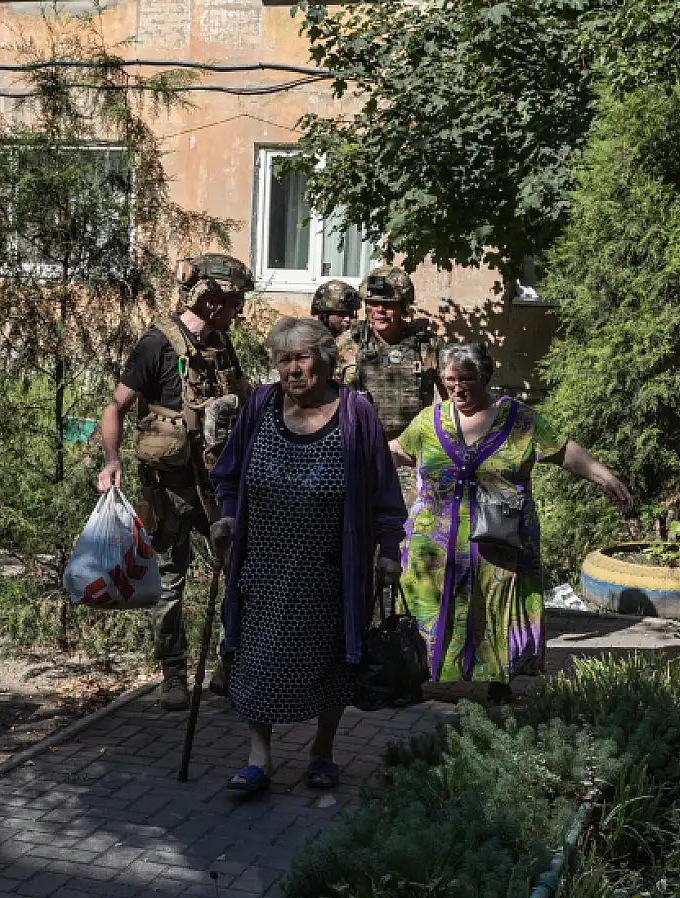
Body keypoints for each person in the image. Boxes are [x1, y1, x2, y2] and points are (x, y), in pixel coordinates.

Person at [209, 317, 406, 794]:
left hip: (333, 565)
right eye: (283, 360)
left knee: (331, 661)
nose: (292, 370)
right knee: (255, 656)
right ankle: (259, 756)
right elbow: (230, 474)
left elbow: (383, 491)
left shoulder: (356, 413)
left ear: (325, 360)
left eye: (301, 358)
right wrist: (228, 516)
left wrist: (388, 550)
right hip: (263, 562)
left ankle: (322, 751)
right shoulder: (260, 404)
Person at [389, 342, 633, 702]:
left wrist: (606, 478)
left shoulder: (519, 419)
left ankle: (498, 680)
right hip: (433, 543)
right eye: (450, 380)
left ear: (485, 376)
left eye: (467, 379)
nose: (458, 388)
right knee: (424, 600)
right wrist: (356, 452)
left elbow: (564, 450)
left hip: (499, 540)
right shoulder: (429, 421)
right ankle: (414, 678)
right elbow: (397, 450)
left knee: (497, 603)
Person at [98, 252, 254, 710]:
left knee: (238, 572)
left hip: (218, 484)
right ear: (209, 300)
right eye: (232, 302)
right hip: (167, 485)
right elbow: (116, 407)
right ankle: (173, 675)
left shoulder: (222, 344)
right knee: (168, 579)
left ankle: (229, 663)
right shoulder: (157, 344)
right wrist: (112, 460)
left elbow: (244, 400)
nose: (237, 311)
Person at [338, 265, 441, 439]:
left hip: (414, 447)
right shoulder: (348, 343)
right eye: (373, 303)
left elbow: (450, 400)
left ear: (404, 307)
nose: (380, 310)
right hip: (363, 444)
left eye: (388, 304)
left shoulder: (427, 345)